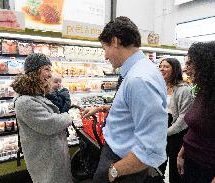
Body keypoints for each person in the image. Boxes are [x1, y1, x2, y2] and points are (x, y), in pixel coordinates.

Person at [81, 16, 168, 183]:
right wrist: (103, 109)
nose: (105, 56)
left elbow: (151, 149)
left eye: (104, 48)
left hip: (123, 165)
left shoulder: (139, 79)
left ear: (115, 41)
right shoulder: (140, 70)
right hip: (120, 158)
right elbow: (132, 109)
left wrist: (114, 171)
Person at [11, 53, 73, 183]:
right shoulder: (25, 101)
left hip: (50, 156)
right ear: (35, 72)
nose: (50, 74)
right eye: (46, 69)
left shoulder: (35, 94)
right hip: (46, 160)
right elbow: (51, 124)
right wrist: (69, 116)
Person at [177, 41, 215, 183]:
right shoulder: (204, 91)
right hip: (191, 162)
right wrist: (181, 155)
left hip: (208, 169)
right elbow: (195, 129)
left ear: (207, 64)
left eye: (190, 64)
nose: (185, 69)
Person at [158, 58, 193, 183]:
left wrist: (166, 132)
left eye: (166, 66)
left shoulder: (183, 89)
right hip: (160, 128)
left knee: (175, 169)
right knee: (157, 166)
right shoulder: (160, 86)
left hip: (176, 132)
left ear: (175, 69)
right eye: (160, 66)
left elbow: (183, 118)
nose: (162, 69)